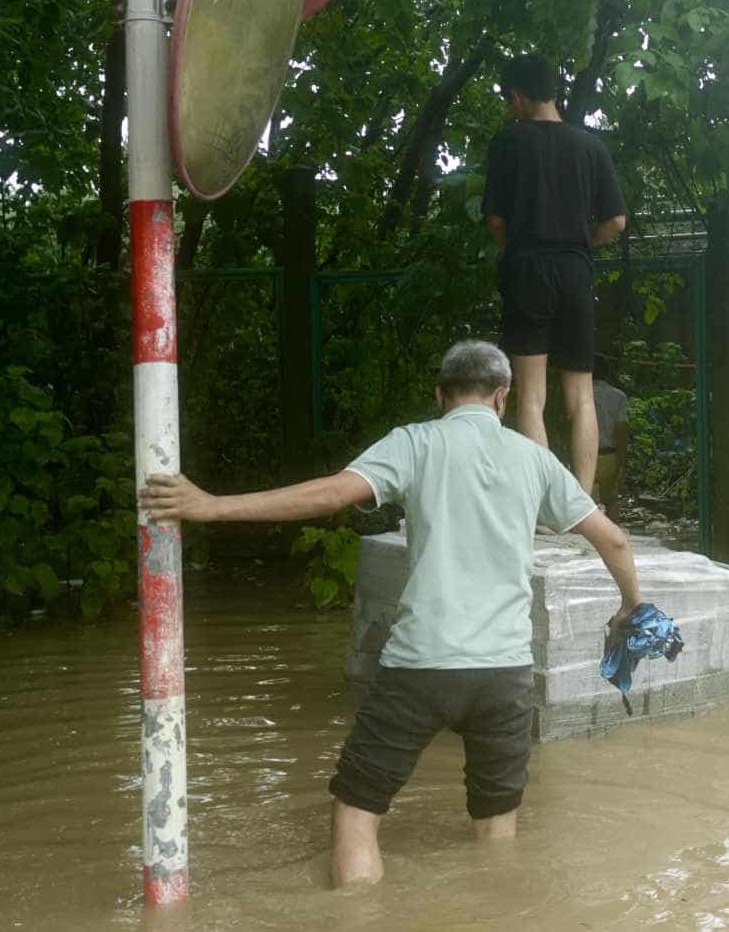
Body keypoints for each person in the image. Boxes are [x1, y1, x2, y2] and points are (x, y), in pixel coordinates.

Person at [138, 340, 642, 888]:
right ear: (502, 396)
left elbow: (329, 494)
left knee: (357, 811)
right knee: (497, 831)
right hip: (504, 676)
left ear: (439, 396)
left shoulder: (415, 443)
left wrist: (210, 506)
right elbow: (613, 542)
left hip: (419, 668)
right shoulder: (534, 458)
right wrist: (629, 606)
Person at [481, 53, 628, 494]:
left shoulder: (508, 143)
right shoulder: (590, 147)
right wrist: (582, 243)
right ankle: (581, 505)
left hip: (528, 268)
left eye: (509, 99)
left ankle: (547, 505)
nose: (509, 108)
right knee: (581, 395)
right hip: (576, 271)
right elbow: (616, 221)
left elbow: (495, 221)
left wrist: (520, 252)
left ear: (521, 96)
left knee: (531, 397)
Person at [591, 355, 629, 509]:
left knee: (584, 503)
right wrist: (621, 463)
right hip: (609, 455)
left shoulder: (579, 395)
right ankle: (614, 531)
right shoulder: (618, 396)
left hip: (583, 455)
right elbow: (621, 431)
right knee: (611, 500)